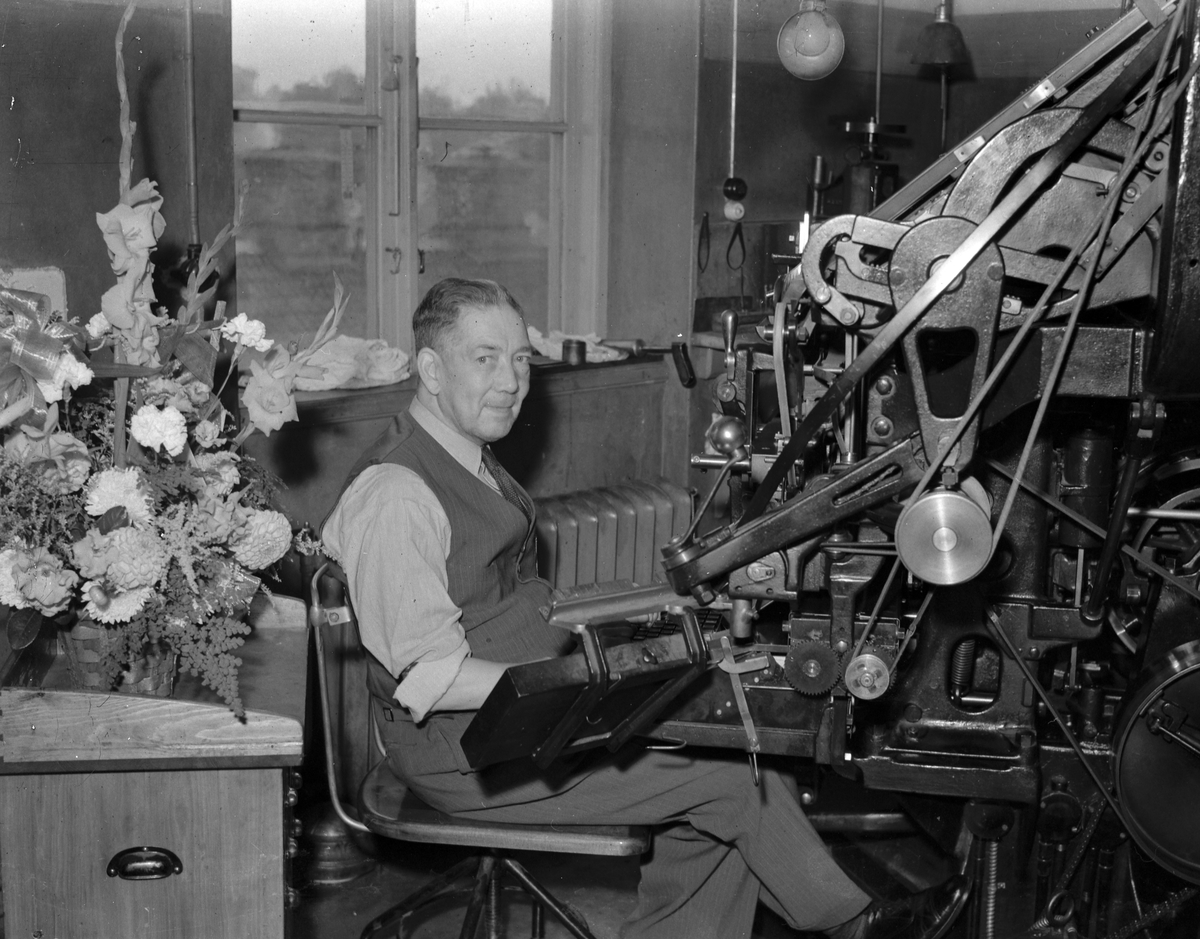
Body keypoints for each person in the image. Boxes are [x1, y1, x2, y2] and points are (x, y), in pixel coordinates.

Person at [321, 277, 968, 939]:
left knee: (724, 737)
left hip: (510, 720)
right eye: (485, 359)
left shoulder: (465, 456)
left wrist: (651, 610)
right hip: (462, 754)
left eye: (519, 359)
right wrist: (589, 681)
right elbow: (429, 676)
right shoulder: (398, 494)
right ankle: (859, 927)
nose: (512, 381)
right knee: (734, 778)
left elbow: (510, 606)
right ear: (431, 369)